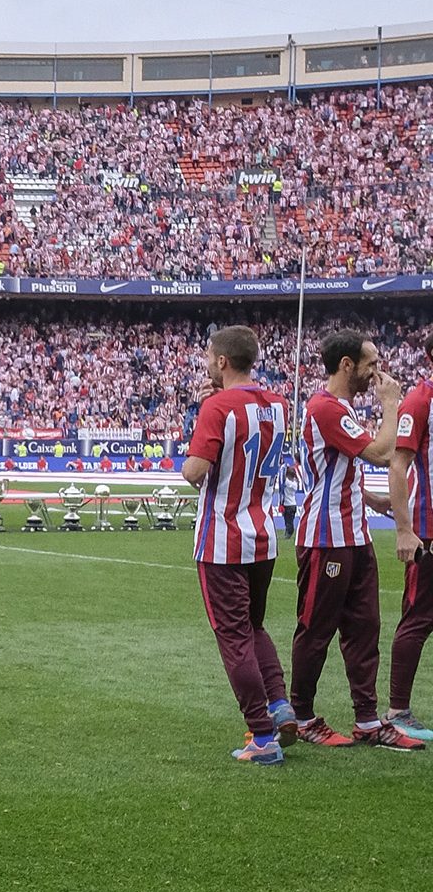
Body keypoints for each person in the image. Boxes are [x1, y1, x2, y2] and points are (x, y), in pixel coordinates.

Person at [289, 333, 417, 749]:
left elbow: (333, 473)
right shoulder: (325, 407)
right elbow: (381, 454)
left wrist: (370, 499)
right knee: (317, 629)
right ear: (347, 365)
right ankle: (302, 716)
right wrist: (391, 403)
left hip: (354, 534)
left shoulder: (338, 409)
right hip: (326, 538)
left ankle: (367, 721)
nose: (377, 372)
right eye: (371, 363)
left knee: (364, 629)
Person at [181, 326, 294, 765]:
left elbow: (195, 471)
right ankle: (279, 703)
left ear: (223, 361)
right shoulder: (279, 404)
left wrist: (189, 460)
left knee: (232, 637)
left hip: (222, 538)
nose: (208, 362)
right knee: (255, 626)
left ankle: (262, 735)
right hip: (263, 533)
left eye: (211, 356)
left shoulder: (217, 406)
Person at [385, 342, 433, 741]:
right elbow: (397, 466)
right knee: (419, 617)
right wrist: (404, 529)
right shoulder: (420, 400)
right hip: (429, 533)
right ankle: (397, 709)